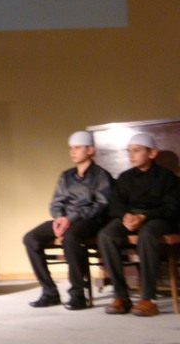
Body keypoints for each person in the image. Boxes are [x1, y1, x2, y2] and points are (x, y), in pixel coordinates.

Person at [23, 131, 112, 310]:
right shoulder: (66, 176)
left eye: (77, 148)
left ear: (90, 150)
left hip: (89, 221)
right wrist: (59, 218)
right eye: (71, 148)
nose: (72, 152)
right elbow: (56, 203)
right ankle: (50, 292)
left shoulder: (101, 175)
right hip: (66, 220)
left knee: (71, 237)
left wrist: (71, 219)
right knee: (30, 238)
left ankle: (78, 294)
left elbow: (101, 205)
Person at [98, 133, 179, 317]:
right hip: (130, 218)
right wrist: (125, 216)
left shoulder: (166, 177)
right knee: (106, 235)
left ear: (152, 153)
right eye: (129, 151)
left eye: (137, 150)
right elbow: (114, 205)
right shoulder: (125, 177)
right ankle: (121, 296)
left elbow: (173, 207)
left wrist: (144, 216)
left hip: (157, 219)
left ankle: (148, 299)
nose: (131, 155)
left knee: (148, 235)